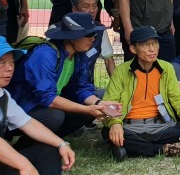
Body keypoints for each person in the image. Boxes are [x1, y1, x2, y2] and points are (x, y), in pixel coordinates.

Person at [0, 36, 75, 175]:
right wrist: (24, 164)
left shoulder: (1, 94)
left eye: (12, 62)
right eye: (1, 62)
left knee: (49, 147)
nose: (10, 68)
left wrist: (61, 144)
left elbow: (27, 122)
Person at [8, 12, 119, 140]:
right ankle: (27, 146)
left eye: (94, 34)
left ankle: (48, 141)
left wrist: (101, 104)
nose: (93, 39)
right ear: (73, 37)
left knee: (95, 101)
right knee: (55, 116)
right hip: (20, 109)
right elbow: (46, 98)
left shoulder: (78, 55)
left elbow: (80, 88)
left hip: (44, 105)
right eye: (89, 35)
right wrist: (86, 109)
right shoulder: (44, 54)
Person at [102, 26, 180, 161]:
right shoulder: (121, 71)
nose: (152, 49)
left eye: (155, 43)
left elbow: (176, 97)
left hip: (160, 126)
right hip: (130, 127)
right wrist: (115, 123)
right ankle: (164, 149)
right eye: (146, 45)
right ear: (133, 49)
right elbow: (110, 101)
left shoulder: (167, 68)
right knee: (108, 131)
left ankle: (129, 148)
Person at [70, 0, 116, 85]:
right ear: (74, 9)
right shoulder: (62, 31)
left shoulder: (100, 30)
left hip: (86, 87)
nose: (92, 10)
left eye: (94, 6)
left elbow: (109, 61)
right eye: (86, 6)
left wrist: (118, 87)